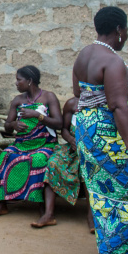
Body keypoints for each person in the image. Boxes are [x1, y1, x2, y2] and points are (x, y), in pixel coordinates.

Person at [73, 6, 128, 254]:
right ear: (119, 29)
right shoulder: (113, 61)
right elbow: (118, 106)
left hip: (87, 135)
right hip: (111, 140)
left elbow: (78, 93)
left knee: (101, 196)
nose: (126, 36)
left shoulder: (83, 55)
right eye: (125, 31)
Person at [0, 65, 62, 224]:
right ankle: (3, 204)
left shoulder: (49, 97)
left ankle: (42, 207)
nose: (16, 83)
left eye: (19, 80)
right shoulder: (18, 100)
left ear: (29, 81)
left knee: (38, 160)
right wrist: (13, 125)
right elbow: (7, 125)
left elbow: (59, 123)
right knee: (5, 156)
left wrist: (38, 115)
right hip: (21, 144)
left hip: (45, 144)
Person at [37, 96, 94, 230]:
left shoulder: (104, 102)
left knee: (87, 167)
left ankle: (91, 216)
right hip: (72, 149)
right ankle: (49, 214)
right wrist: (70, 139)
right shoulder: (72, 104)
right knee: (53, 163)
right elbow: (64, 130)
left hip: (93, 152)